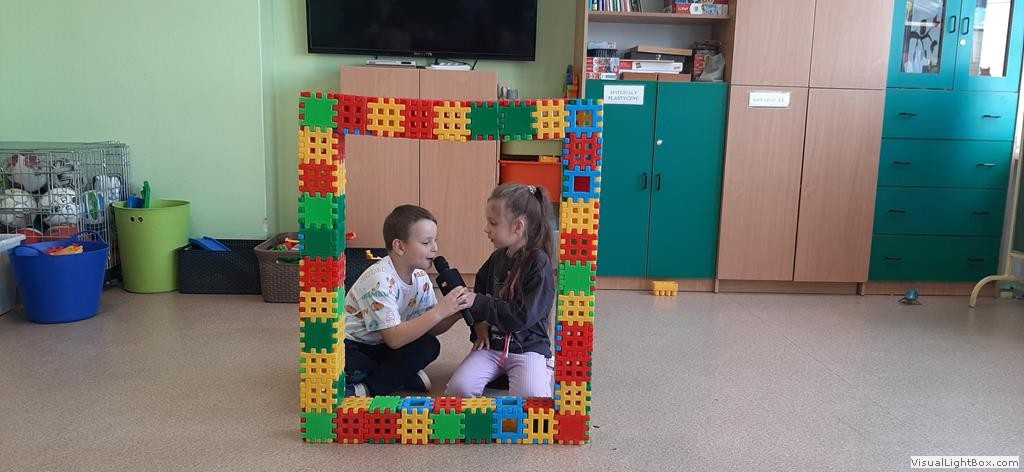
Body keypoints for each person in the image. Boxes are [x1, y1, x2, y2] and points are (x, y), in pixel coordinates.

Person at [344, 205, 471, 396]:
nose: (435, 248)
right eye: (426, 242)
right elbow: (394, 339)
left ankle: (390, 377)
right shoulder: (379, 280)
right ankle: (372, 387)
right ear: (400, 247)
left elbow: (429, 327)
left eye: (435, 240)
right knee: (349, 365)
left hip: (384, 343)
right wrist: (440, 310)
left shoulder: (421, 277)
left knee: (429, 346)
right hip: (355, 345)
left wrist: (454, 313)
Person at [445, 184, 556, 398]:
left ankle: (542, 368)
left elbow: (521, 317)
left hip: (528, 348)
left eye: (493, 223)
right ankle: (503, 374)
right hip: (493, 346)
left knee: (532, 399)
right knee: (458, 389)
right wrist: (478, 324)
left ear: (518, 226)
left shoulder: (538, 264)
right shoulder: (498, 257)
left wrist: (478, 302)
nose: (486, 229)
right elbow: (480, 287)